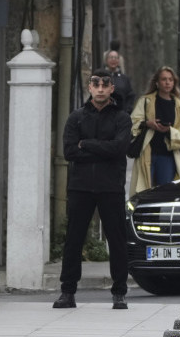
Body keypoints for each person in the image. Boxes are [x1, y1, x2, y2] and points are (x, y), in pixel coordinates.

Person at [55, 73, 134, 309]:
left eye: (105, 85)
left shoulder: (122, 118)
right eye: (96, 84)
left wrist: (87, 144)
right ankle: (67, 291)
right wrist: (102, 149)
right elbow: (69, 151)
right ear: (89, 87)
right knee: (74, 239)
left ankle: (119, 292)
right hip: (81, 186)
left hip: (110, 186)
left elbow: (119, 149)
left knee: (117, 238)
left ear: (111, 89)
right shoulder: (76, 117)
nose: (100, 89)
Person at [129, 66, 180, 194]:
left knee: (165, 193)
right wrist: (148, 124)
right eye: (164, 79)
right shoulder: (146, 101)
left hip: (167, 156)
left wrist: (169, 131)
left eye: (170, 80)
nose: (167, 82)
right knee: (145, 192)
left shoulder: (178, 105)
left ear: (174, 83)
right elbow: (133, 123)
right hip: (147, 153)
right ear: (157, 83)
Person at [103, 49, 135, 113]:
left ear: (119, 60)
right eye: (111, 57)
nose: (113, 59)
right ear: (106, 60)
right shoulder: (101, 76)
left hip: (121, 114)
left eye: (116, 58)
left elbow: (130, 96)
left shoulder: (125, 78)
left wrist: (127, 111)